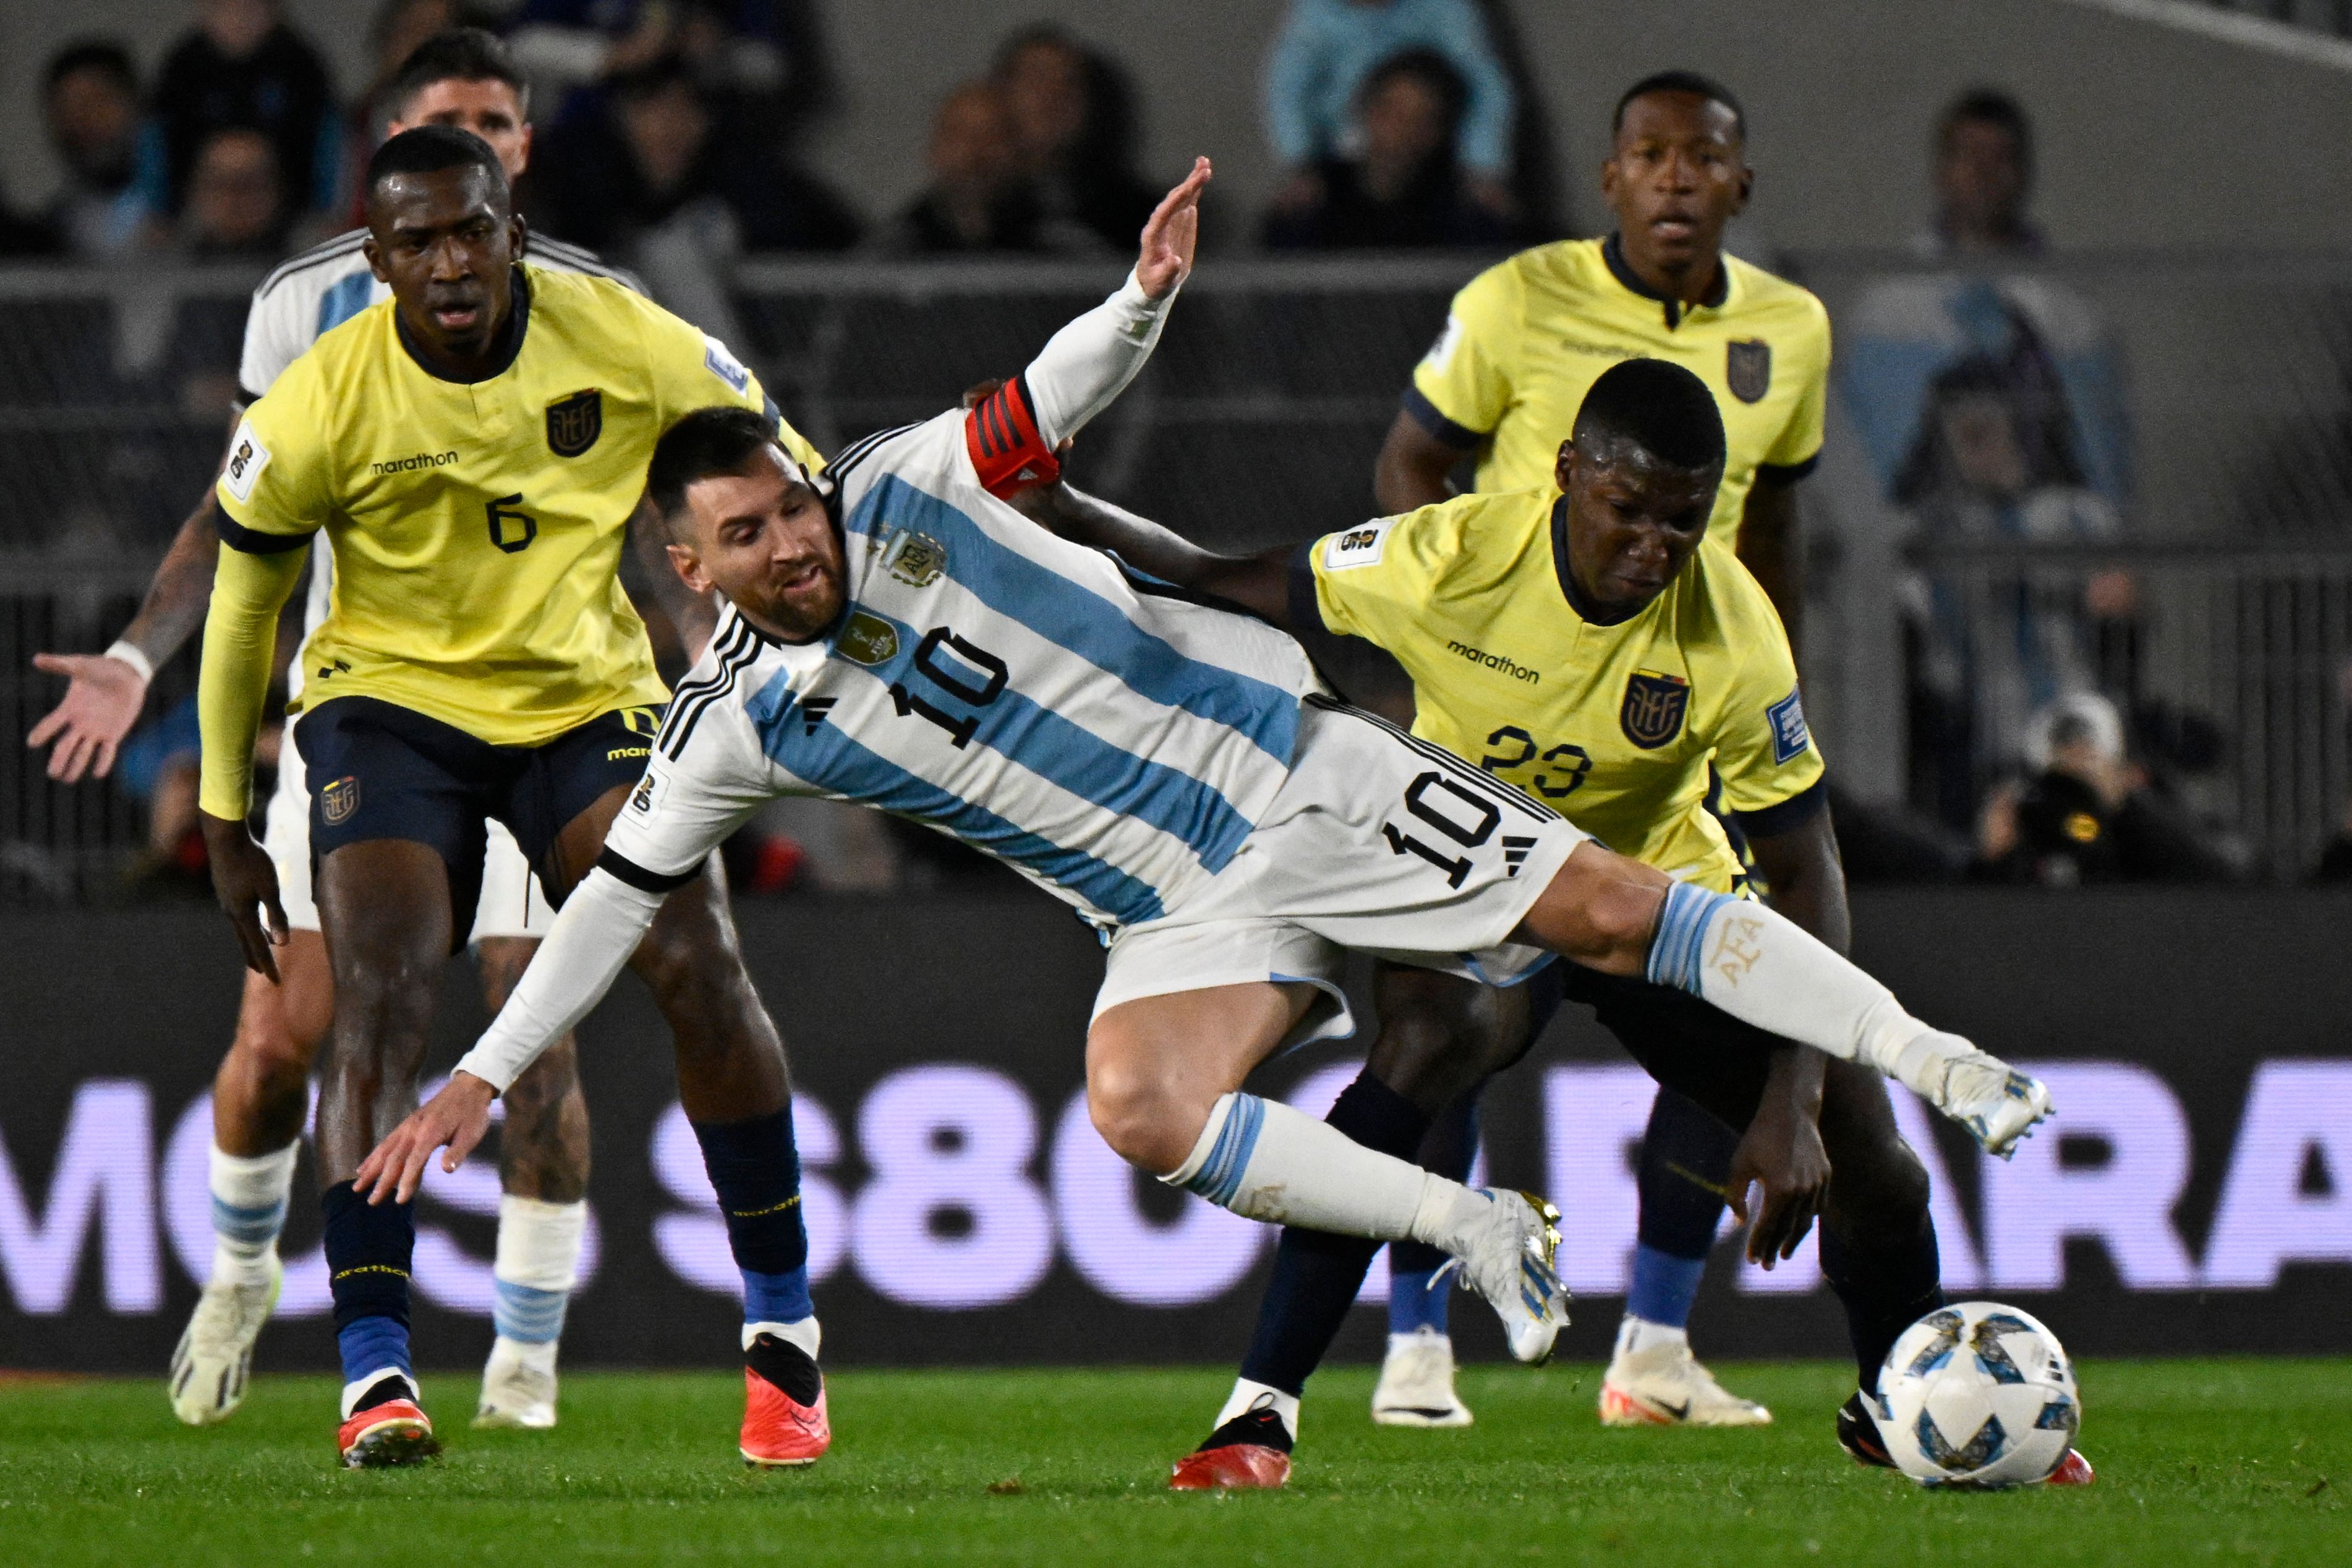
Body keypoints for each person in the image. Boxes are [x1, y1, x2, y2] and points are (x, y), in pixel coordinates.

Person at [358, 166, 2050, 1471]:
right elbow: (613, 899)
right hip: (1172, 915)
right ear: (688, 564)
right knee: (1140, 1107)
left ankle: (1933, 1062)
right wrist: (484, 1073)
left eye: (791, 514)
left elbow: (1044, 393)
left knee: (1608, 914)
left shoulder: (900, 483)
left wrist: (1142, 296)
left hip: (1292, 781)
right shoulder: (735, 722)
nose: (794, 549)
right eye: (747, 541)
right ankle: (1447, 1243)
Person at [1008, 360, 2081, 1491]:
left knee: (1879, 1165)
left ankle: (1896, 1405)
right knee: (1413, 1064)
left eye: (1685, 517)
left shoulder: (1729, 628)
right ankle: (1254, 1419)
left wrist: (1791, 1100)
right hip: (1474, 889)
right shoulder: (1455, 557)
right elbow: (1226, 578)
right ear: (1567, 475)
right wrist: (1063, 510)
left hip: (1656, 897)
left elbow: (1803, 867)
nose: (1656, 545)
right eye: (1628, 510)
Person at [23, 32, 647, 1444]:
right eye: (446, 118)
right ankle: (244, 1272)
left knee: (532, 1022)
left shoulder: (602, 308)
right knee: (289, 1032)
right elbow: (237, 520)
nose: (475, 133)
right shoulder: (304, 308)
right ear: (390, 159)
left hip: (548, 707)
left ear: (523, 154)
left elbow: (671, 486)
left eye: (499, 118)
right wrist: (145, 662)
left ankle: (518, 1371)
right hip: (359, 709)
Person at [192, 122, 835, 1470]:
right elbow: (246, 602)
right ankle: (377, 1371)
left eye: (468, 231)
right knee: (380, 975)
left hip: (581, 700)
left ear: (512, 230)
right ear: (375, 257)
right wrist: (221, 816)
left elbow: (783, 462)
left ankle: (783, 1338)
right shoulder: (319, 398)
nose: (446, 262)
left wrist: (812, 584)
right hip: (390, 705)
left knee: (699, 959)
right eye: (414, 239)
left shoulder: (624, 335)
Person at [1357, 70, 1829, 1433]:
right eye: (1649, 154)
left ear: (1743, 184)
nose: (1677, 177)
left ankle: (1657, 1350)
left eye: (1704, 158)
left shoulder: (1791, 331)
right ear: (1611, 177)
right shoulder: (1518, 300)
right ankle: (1415, 1343)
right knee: (1441, 1028)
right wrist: (1449, 638)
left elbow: (1772, 535)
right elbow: (1408, 466)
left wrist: (1767, 704)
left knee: (1733, 1024)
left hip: (1670, 737)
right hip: (1499, 730)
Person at [531, 56, 860, 255]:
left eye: (688, 108)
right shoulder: (576, 194)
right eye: (653, 107)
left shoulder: (760, 194)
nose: (670, 126)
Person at [1264, 0, 1517, 229]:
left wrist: (1483, 169)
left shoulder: (1447, 8)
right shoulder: (1315, 10)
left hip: (1436, 167)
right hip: (1338, 163)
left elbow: (1487, 85)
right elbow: (1287, 88)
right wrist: (1301, 165)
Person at [145, 0, 341, 226]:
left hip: (290, 214)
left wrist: (324, 208)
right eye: (223, 9)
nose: (237, 20)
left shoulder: (300, 62)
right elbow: (158, 143)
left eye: (250, 8)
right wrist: (160, 210)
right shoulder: (182, 65)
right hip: (193, 218)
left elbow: (326, 143)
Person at [993, 25, 1159, 254]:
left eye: (1068, 83)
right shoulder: (966, 211)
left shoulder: (1140, 215)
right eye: (1036, 78)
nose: (1053, 96)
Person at [881, 80, 1086, 255]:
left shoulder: (1065, 250)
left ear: (1020, 150)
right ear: (935, 149)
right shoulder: (894, 250)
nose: (976, 152)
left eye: (993, 137)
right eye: (960, 136)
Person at [41, 41, 158, 260]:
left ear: (135, 103)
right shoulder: (50, 233)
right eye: (68, 108)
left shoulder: (193, 214)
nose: (84, 120)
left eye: (98, 101)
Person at [1919, 88, 2042, 260]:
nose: (1984, 172)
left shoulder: (2058, 283)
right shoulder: (1899, 282)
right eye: (1972, 155)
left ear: (2021, 172)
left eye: (1999, 157)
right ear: (1943, 171)